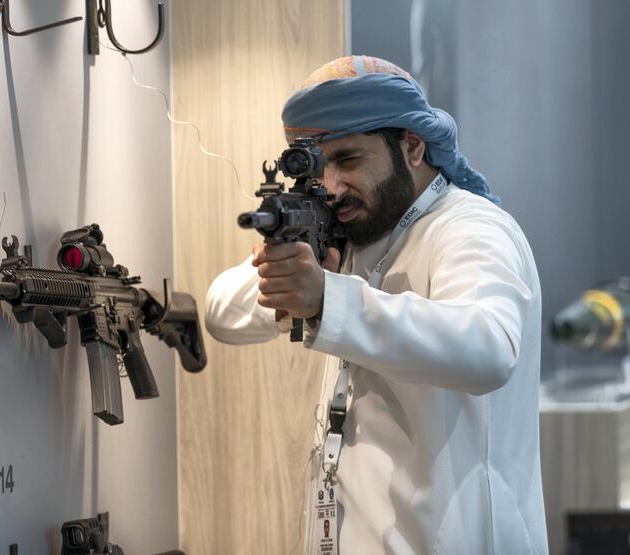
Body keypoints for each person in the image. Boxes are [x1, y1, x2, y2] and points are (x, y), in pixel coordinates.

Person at [205, 55, 548, 554]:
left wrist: (326, 299)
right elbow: (220, 312)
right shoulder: (348, 230)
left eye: (348, 160)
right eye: (320, 167)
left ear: (411, 145)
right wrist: (294, 281)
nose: (332, 186)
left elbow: (489, 348)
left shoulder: (470, 228)